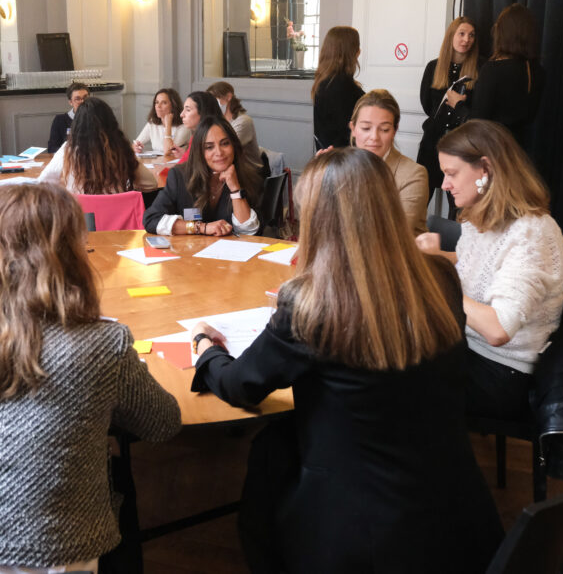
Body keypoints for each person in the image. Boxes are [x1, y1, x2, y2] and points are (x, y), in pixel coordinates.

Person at [190, 148, 503, 573]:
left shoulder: (313, 304)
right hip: (457, 509)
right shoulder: (440, 279)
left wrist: (208, 353)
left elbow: (243, 386)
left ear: (316, 219)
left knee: (270, 449)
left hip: (362, 536)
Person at [0, 183, 180, 573]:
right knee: (118, 470)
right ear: (69, 253)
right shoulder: (100, 344)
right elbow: (163, 423)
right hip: (54, 556)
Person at [417, 120, 563, 419]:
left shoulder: (531, 234)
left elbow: (499, 329)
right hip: (468, 348)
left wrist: (435, 284)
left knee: (385, 379)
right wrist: (437, 257)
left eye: (451, 173)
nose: (444, 184)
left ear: (484, 168)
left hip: (499, 373)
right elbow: (478, 265)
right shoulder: (482, 217)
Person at [144, 116, 263, 236]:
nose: (219, 152)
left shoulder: (248, 176)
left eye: (225, 144)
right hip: (189, 252)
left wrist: (235, 189)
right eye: (209, 147)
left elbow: (249, 232)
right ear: (199, 151)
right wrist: (200, 227)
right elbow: (151, 220)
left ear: (234, 146)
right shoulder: (180, 176)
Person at [349, 89, 429, 234]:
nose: (374, 137)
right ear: (353, 128)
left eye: (384, 129)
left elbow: (391, 235)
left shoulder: (413, 175)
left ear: (394, 130)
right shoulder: (343, 168)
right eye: (366, 128)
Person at [39, 97, 158, 194]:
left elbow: (44, 182)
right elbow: (150, 184)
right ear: (110, 122)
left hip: (80, 218)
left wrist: (68, 187)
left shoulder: (68, 149)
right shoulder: (121, 149)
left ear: (77, 124)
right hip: (118, 219)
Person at [417, 16, 480, 190]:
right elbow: (427, 105)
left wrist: (461, 107)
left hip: (462, 146)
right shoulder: (433, 67)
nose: (466, 40)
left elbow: (479, 112)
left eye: (471, 35)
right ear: (451, 35)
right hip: (432, 142)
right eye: (462, 34)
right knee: (421, 193)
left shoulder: (479, 69)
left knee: (458, 201)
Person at [469, 3, 546, 148]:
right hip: (519, 149)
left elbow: (477, 122)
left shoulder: (493, 70)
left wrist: (458, 105)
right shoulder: (538, 71)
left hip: (492, 150)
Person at [310, 25, 363, 151]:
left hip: (328, 158)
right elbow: (348, 136)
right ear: (354, 52)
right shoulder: (344, 88)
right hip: (344, 161)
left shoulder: (323, 82)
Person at [207, 81, 262, 171]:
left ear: (228, 97)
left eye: (214, 99)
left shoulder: (243, 121)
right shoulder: (219, 122)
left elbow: (227, 150)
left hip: (250, 174)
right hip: (231, 169)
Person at [132, 88, 189, 154]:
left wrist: (168, 125)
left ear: (173, 106)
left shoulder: (184, 126)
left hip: (177, 163)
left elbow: (168, 151)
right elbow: (136, 143)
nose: (158, 106)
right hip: (158, 162)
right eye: (156, 102)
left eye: (164, 103)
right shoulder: (153, 123)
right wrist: (136, 147)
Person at [173, 90, 223, 164]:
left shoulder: (212, 136)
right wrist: (186, 155)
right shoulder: (198, 134)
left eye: (188, 110)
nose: (181, 114)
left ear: (203, 112)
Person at [47, 82, 90, 152]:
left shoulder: (98, 118)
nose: (82, 102)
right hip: (68, 159)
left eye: (85, 98)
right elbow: (52, 148)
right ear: (70, 102)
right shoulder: (60, 120)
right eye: (77, 99)